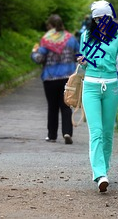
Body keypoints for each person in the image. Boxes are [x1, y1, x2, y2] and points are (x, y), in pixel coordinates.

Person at [77, 0, 118, 192]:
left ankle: (104, 170)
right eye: (97, 19)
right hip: (90, 86)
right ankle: (99, 174)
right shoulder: (86, 36)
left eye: (104, 18)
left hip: (112, 87)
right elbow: (83, 63)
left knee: (108, 133)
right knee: (96, 132)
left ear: (110, 17)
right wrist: (82, 61)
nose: (100, 22)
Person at [31, 14, 79, 144]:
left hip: (50, 78)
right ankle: (67, 132)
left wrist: (34, 52)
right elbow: (78, 56)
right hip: (67, 78)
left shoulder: (46, 40)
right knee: (66, 105)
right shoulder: (71, 39)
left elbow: (39, 59)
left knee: (52, 107)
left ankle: (52, 136)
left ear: (50, 26)